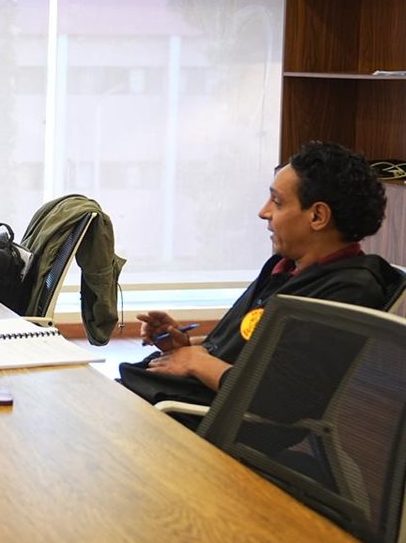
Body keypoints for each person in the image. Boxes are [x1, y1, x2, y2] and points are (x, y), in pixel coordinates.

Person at [119, 141, 400, 416]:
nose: (263, 212)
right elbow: (245, 346)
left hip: (213, 418)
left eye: (277, 202)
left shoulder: (349, 291)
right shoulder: (283, 267)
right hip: (184, 397)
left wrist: (196, 363)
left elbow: (281, 397)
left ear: (317, 216)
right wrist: (184, 347)